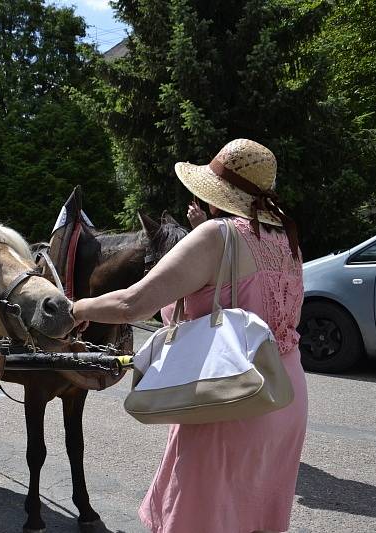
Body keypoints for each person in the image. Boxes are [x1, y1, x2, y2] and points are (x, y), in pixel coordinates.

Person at [72, 139, 307, 533]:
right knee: (253, 513)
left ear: (218, 195)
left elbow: (134, 303)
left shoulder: (217, 235)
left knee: (201, 516)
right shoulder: (286, 237)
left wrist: (77, 309)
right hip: (284, 393)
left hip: (230, 394)